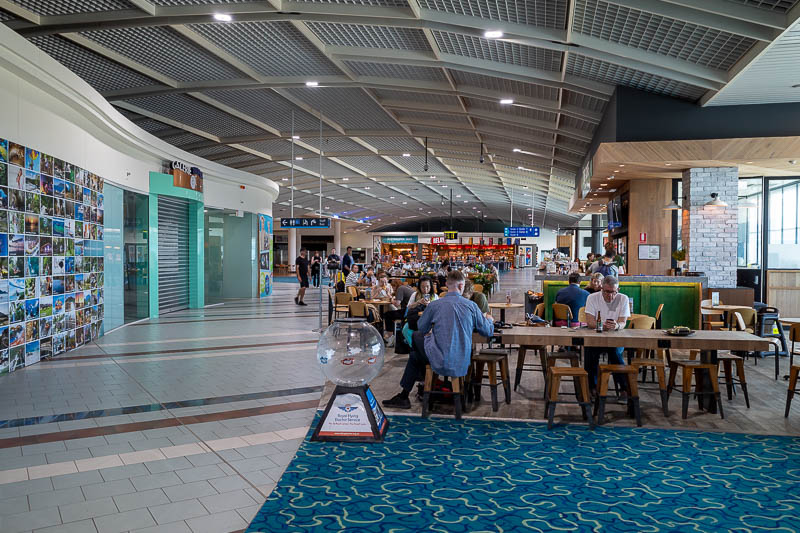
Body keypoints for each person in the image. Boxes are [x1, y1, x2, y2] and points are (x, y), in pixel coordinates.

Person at [383, 270, 495, 409]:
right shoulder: (471, 306)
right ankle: (407, 394)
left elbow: (421, 328)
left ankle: (411, 392)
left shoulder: (434, 305)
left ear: (447, 285)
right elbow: (488, 331)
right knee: (415, 353)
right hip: (462, 360)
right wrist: (489, 319)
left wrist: (433, 330)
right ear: (461, 286)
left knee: (416, 345)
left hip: (439, 358)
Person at [583, 276, 630, 397]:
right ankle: (591, 387)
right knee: (589, 351)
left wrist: (616, 326)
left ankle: (625, 388)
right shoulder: (592, 298)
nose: (610, 295)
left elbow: (623, 322)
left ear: (618, 289)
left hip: (615, 337)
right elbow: (590, 322)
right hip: (596, 337)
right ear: (601, 288)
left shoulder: (623, 299)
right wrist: (602, 326)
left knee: (615, 352)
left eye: (613, 292)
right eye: (607, 292)